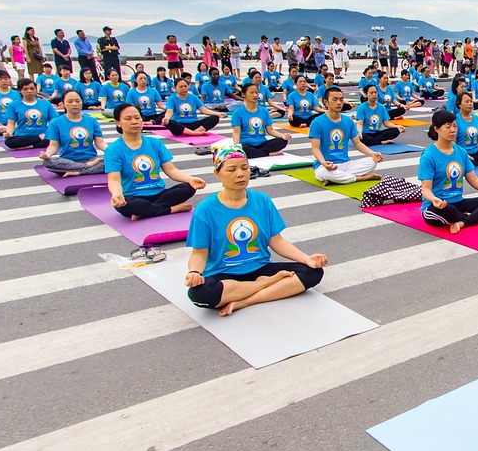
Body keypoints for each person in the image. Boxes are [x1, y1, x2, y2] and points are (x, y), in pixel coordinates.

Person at [184, 145, 327, 316]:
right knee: (200, 294)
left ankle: (246, 300)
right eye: (231, 169)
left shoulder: (262, 200)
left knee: (313, 272)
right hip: (224, 275)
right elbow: (199, 253)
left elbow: (277, 241)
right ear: (217, 173)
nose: (240, 174)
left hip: (259, 268)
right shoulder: (205, 209)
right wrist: (194, 272)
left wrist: (307, 259)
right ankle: (266, 284)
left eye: (244, 168)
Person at [104, 103, 206, 219]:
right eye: (128, 119)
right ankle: (171, 209)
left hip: (160, 194)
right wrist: (117, 195)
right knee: (126, 205)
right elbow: (114, 180)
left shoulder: (155, 143)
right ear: (118, 123)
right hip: (134, 197)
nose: (134, 122)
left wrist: (190, 179)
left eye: (137, 118)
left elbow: (171, 170)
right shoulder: (113, 150)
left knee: (188, 187)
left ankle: (146, 211)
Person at [417, 110, 478, 233]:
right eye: (448, 127)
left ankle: (463, 222)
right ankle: (468, 217)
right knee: (446, 209)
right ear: (437, 129)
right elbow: (425, 189)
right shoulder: (428, 156)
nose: (452, 130)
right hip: (437, 206)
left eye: (455, 126)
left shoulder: (461, 152)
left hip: (458, 202)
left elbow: (474, 180)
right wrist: (434, 199)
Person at [307, 85, 384, 184]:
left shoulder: (348, 121)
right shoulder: (317, 122)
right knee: (324, 173)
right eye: (334, 99)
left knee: (372, 162)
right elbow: (315, 148)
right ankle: (361, 178)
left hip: (345, 164)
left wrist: (373, 153)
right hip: (325, 165)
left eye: (341, 99)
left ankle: (337, 179)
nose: (339, 103)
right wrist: (323, 162)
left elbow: (358, 144)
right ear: (326, 102)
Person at [41, 89, 106, 176]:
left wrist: (112, 151)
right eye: (70, 101)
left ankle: (78, 172)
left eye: (77, 101)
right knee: (47, 162)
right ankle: (87, 167)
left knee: (114, 162)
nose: (74, 104)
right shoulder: (55, 123)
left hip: (90, 159)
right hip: (67, 161)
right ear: (63, 104)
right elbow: (53, 145)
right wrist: (47, 154)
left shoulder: (92, 120)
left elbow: (100, 142)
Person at [231, 82, 291, 158]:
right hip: (247, 144)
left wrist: (282, 135)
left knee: (282, 141)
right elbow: (236, 132)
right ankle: (267, 154)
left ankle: (258, 153)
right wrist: (236, 145)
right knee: (243, 149)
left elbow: (270, 130)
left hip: (262, 143)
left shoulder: (264, 111)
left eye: (256, 92)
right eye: (251, 93)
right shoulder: (237, 112)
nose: (255, 95)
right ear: (243, 94)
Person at [3, 77, 57, 148]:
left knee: (56, 138)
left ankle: (30, 145)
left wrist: (49, 132)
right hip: (23, 136)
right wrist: (9, 133)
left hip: (43, 134)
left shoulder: (45, 103)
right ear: (20, 91)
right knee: (9, 142)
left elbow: (53, 120)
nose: (29, 91)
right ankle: (37, 141)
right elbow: (11, 123)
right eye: (25, 89)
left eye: (32, 88)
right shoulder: (14, 105)